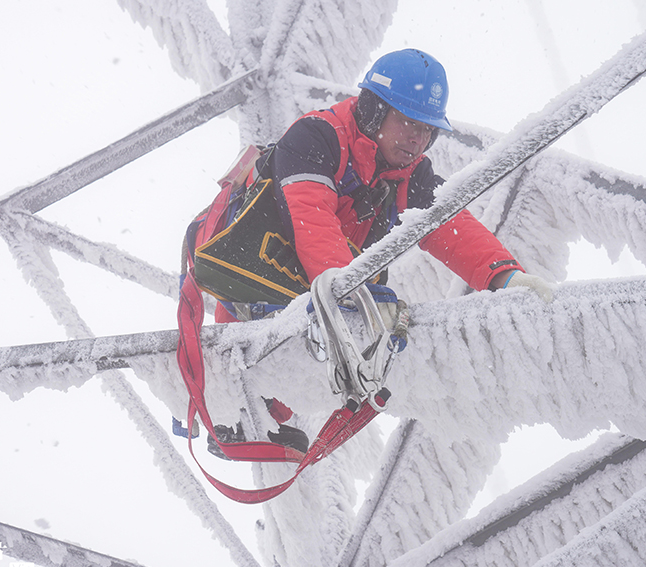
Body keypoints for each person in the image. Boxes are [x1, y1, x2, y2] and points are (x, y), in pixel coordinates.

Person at [185, 48, 553, 457]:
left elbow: (453, 227)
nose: (418, 139)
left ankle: (265, 410)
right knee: (297, 316)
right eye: (408, 123)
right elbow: (312, 223)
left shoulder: (408, 175)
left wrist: (506, 276)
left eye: (427, 129)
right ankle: (232, 406)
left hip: (309, 281)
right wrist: (353, 291)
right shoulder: (316, 138)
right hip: (255, 266)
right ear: (374, 110)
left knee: (328, 329)